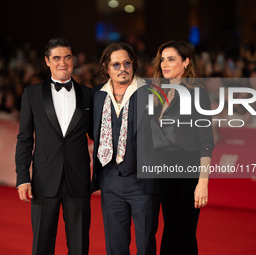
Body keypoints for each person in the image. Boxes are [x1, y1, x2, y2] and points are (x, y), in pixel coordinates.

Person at [15, 37, 92, 255]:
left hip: (78, 181)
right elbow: (24, 138)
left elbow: (98, 135)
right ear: (47, 61)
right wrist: (22, 177)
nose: (63, 63)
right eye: (56, 58)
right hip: (43, 180)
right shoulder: (32, 94)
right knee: (42, 244)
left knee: (79, 246)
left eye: (67, 57)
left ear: (73, 60)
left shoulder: (88, 95)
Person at [91, 42, 160, 255]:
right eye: (116, 64)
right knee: (115, 246)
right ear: (106, 67)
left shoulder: (152, 93)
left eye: (127, 63)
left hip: (143, 183)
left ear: (134, 65)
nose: (123, 68)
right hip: (110, 181)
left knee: (145, 245)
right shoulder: (98, 96)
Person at [152, 40, 214, 255]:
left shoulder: (197, 93)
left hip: (187, 172)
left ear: (186, 62)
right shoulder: (160, 93)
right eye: (162, 59)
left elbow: (206, 140)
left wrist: (202, 182)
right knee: (173, 232)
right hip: (164, 173)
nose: (164, 64)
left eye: (171, 59)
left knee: (181, 233)